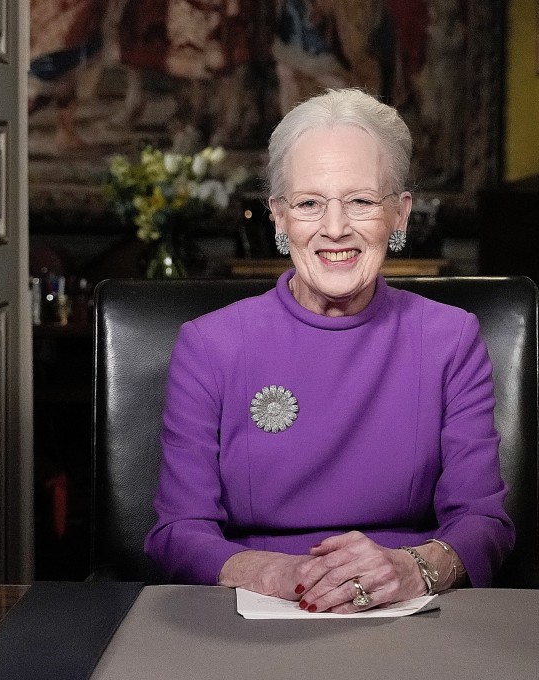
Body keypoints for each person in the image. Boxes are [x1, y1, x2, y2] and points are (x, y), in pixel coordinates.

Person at [144, 88, 514, 613]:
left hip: (406, 612)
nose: (335, 228)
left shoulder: (450, 339)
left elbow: (484, 523)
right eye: (309, 203)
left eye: (361, 201)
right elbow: (178, 532)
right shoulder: (210, 345)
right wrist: (281, 574)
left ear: (400, 214)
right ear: (278, 217)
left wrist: (412, 568)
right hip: (254, 612)